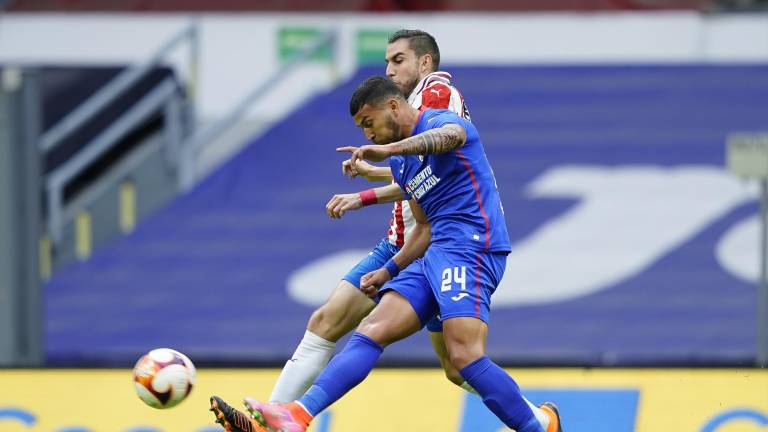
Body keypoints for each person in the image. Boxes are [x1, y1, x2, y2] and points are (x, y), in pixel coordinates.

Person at [210, 77, 563, 432]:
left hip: (472, 248)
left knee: (464, 357)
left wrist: (389, 152)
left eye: (369, 122)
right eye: (362, 128)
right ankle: (298, 415)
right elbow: (422, 227)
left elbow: (451, 137)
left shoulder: (438, 121)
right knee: (371, 330)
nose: (368, 134)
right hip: (435, 253)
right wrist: (389, 271)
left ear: (393, 106)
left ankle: (539, 426)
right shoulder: (403, 165)